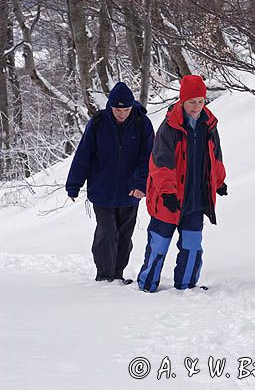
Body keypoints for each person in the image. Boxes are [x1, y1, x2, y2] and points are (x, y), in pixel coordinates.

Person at [137, 75, 227, 292]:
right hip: (168, 199)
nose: (196, 107)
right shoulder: (169, 127)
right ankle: (147, 285)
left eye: (200, 101)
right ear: (182, 101)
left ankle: (186, 286)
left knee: (193, 245)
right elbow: (160, 163)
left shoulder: (209, 125)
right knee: (158, 244)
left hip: (196, 198)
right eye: (191, 102)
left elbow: (215, 157)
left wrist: (219, 182)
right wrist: (167, 192)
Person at [66, 82, 154, 283]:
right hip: (102, 190)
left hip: (131, 191)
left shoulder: (142, 123)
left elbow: (148, 157)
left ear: (132, 106)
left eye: (126, 109)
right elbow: (84, 155)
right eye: (117, 109)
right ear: (110, 107)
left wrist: (141, 185)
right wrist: (74, 185)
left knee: (124, 236)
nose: (121, 114)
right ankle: (104, 276)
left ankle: (117, 275)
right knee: (106, 233)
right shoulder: (98, 123)